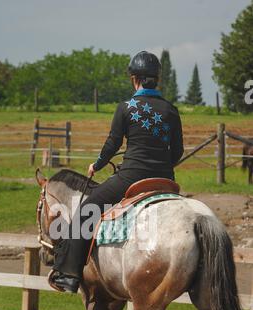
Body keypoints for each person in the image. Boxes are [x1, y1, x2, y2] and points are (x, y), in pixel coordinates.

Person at [49, 50, 184, 293]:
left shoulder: (126, 107)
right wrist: (161, 166)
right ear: (157, 79)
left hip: (130, 177)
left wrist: (97, 165)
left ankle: (68, 275)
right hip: (165, 180)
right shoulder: (171, 110)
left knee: (87, 210)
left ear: (135, 79)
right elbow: (177, 152)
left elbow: (113, 144)